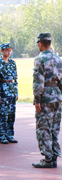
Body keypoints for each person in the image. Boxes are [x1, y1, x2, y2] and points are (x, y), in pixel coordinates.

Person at [32, 33, 62, 168]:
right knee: (55, 128)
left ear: (40, 43)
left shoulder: (40, 59)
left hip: (45, 97)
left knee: (43, 127)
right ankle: (54, 156)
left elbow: (38, 81)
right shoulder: (58, 58)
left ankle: (48, 159)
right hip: (57, 96)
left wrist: (37, 100)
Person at [0, 43, 18, 144]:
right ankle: (2, 135)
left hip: (11, 91)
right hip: (3, 92)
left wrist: (16, 92)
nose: (8, 52)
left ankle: (10, 135)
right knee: (3, 115)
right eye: (6, 50)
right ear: (2, 51)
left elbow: (15, 78)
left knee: (11, 114)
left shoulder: (12, 63)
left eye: (10, 50)